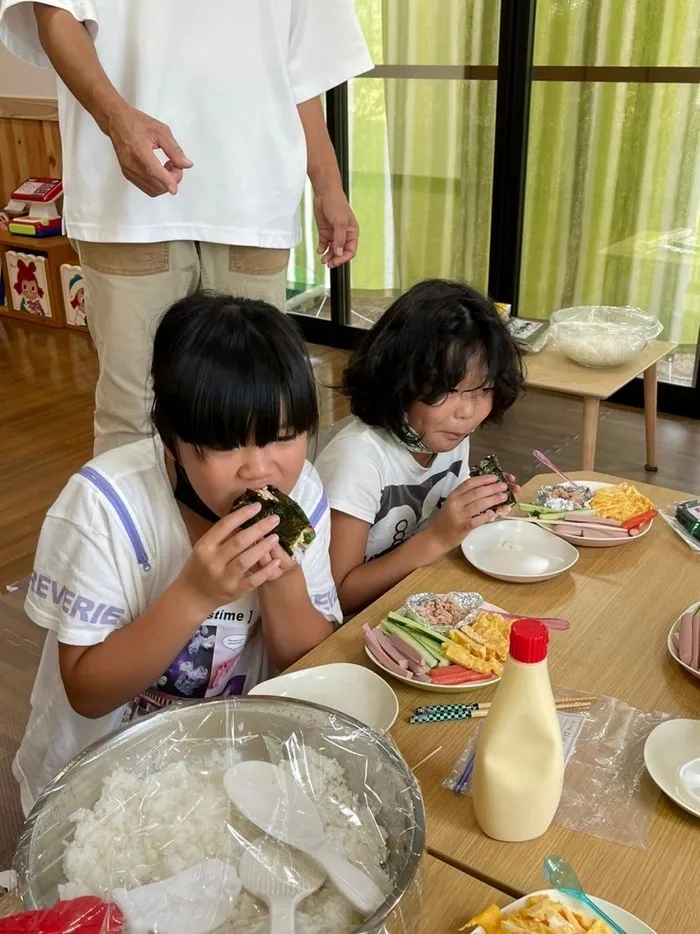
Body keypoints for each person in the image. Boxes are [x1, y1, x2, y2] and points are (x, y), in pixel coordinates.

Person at [13, 292, 342, 815]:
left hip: (225, 767)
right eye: (227, 444)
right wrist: (195, 594)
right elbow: (88, 692)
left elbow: (304, 667)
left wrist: (283, 580)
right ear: (172, 441)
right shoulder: (102, 505)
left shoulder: (303, 494)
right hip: (98, 777)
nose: (259, 470)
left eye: (283, 437)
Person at [0, 0, 372, 455]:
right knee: (133, 413)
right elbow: (52, 12)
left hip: (253, 195)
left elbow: (301, 70)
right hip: (128, 202)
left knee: (261, 410)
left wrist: (329, 186)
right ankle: (133, 529)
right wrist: (115, 118)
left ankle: (256, 528)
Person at [315, 279, 524, 614]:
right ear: (402, 378)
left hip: (411, 599)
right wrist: (439, 538)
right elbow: (336, 596)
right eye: (447, 390)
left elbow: (443, 526)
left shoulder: (446, 432)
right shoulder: (358, 459)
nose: (466, 413)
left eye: (481, 390)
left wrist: (475, 508)